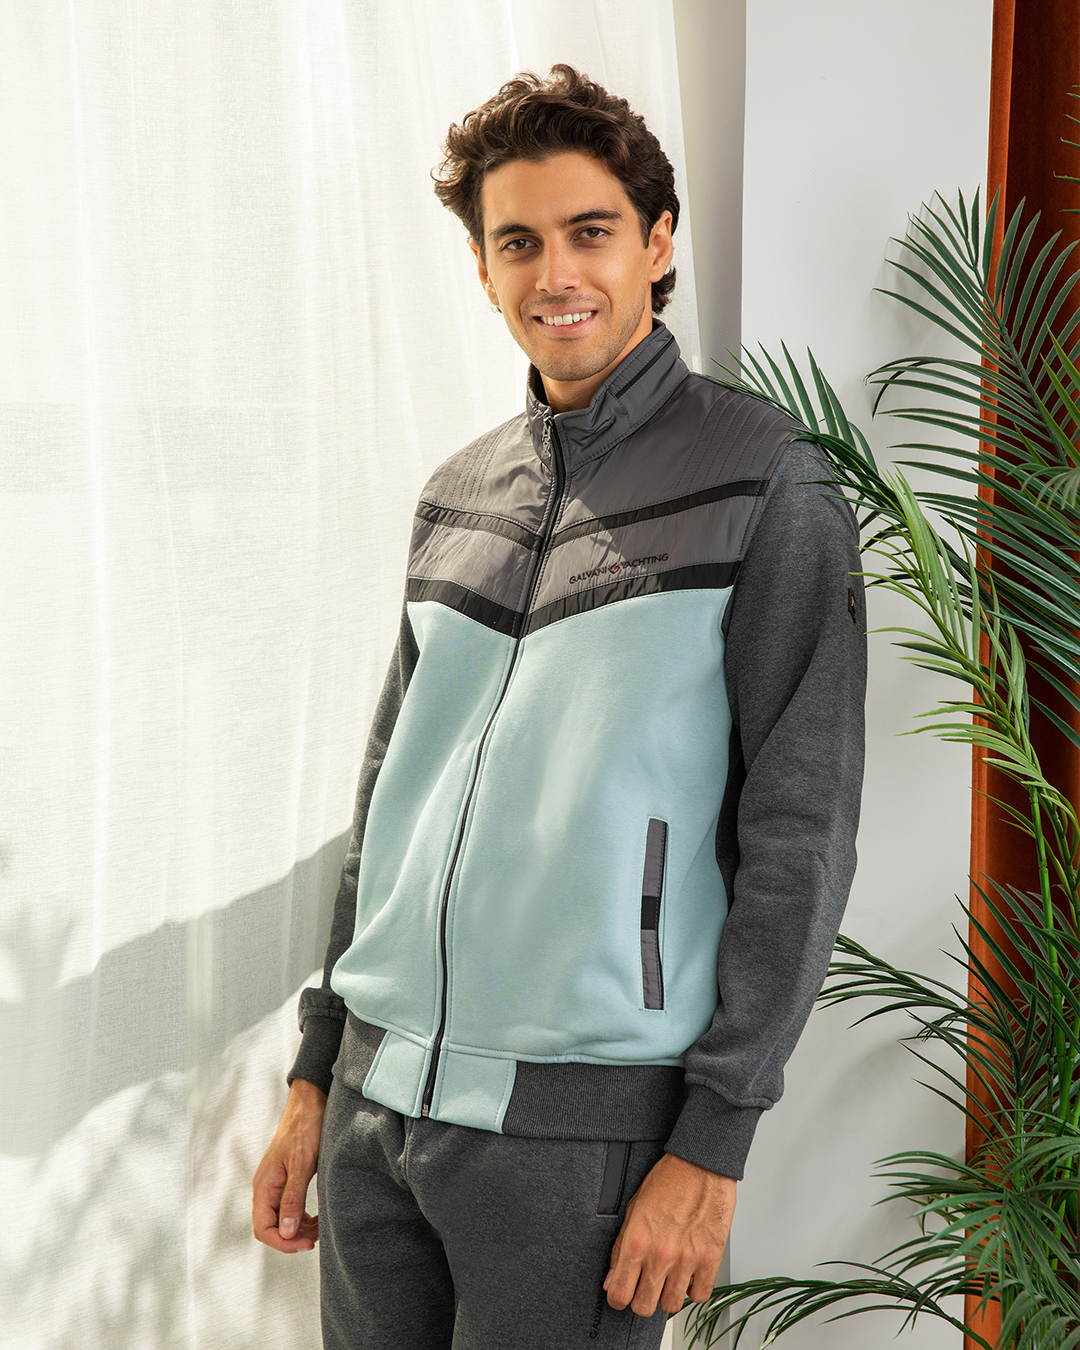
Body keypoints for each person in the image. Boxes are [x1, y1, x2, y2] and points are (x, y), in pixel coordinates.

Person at [252, 64, 867, 1350]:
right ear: (484, 270)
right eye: (518, 242)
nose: (556, 274)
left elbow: (801, 836)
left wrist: (714, 1141)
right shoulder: (458, 495)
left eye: (590, 231)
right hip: (374, 1107)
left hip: (579, 1139)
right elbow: (390, 800)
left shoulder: (766, 483)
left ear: (656, 243)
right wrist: (318, 1069)